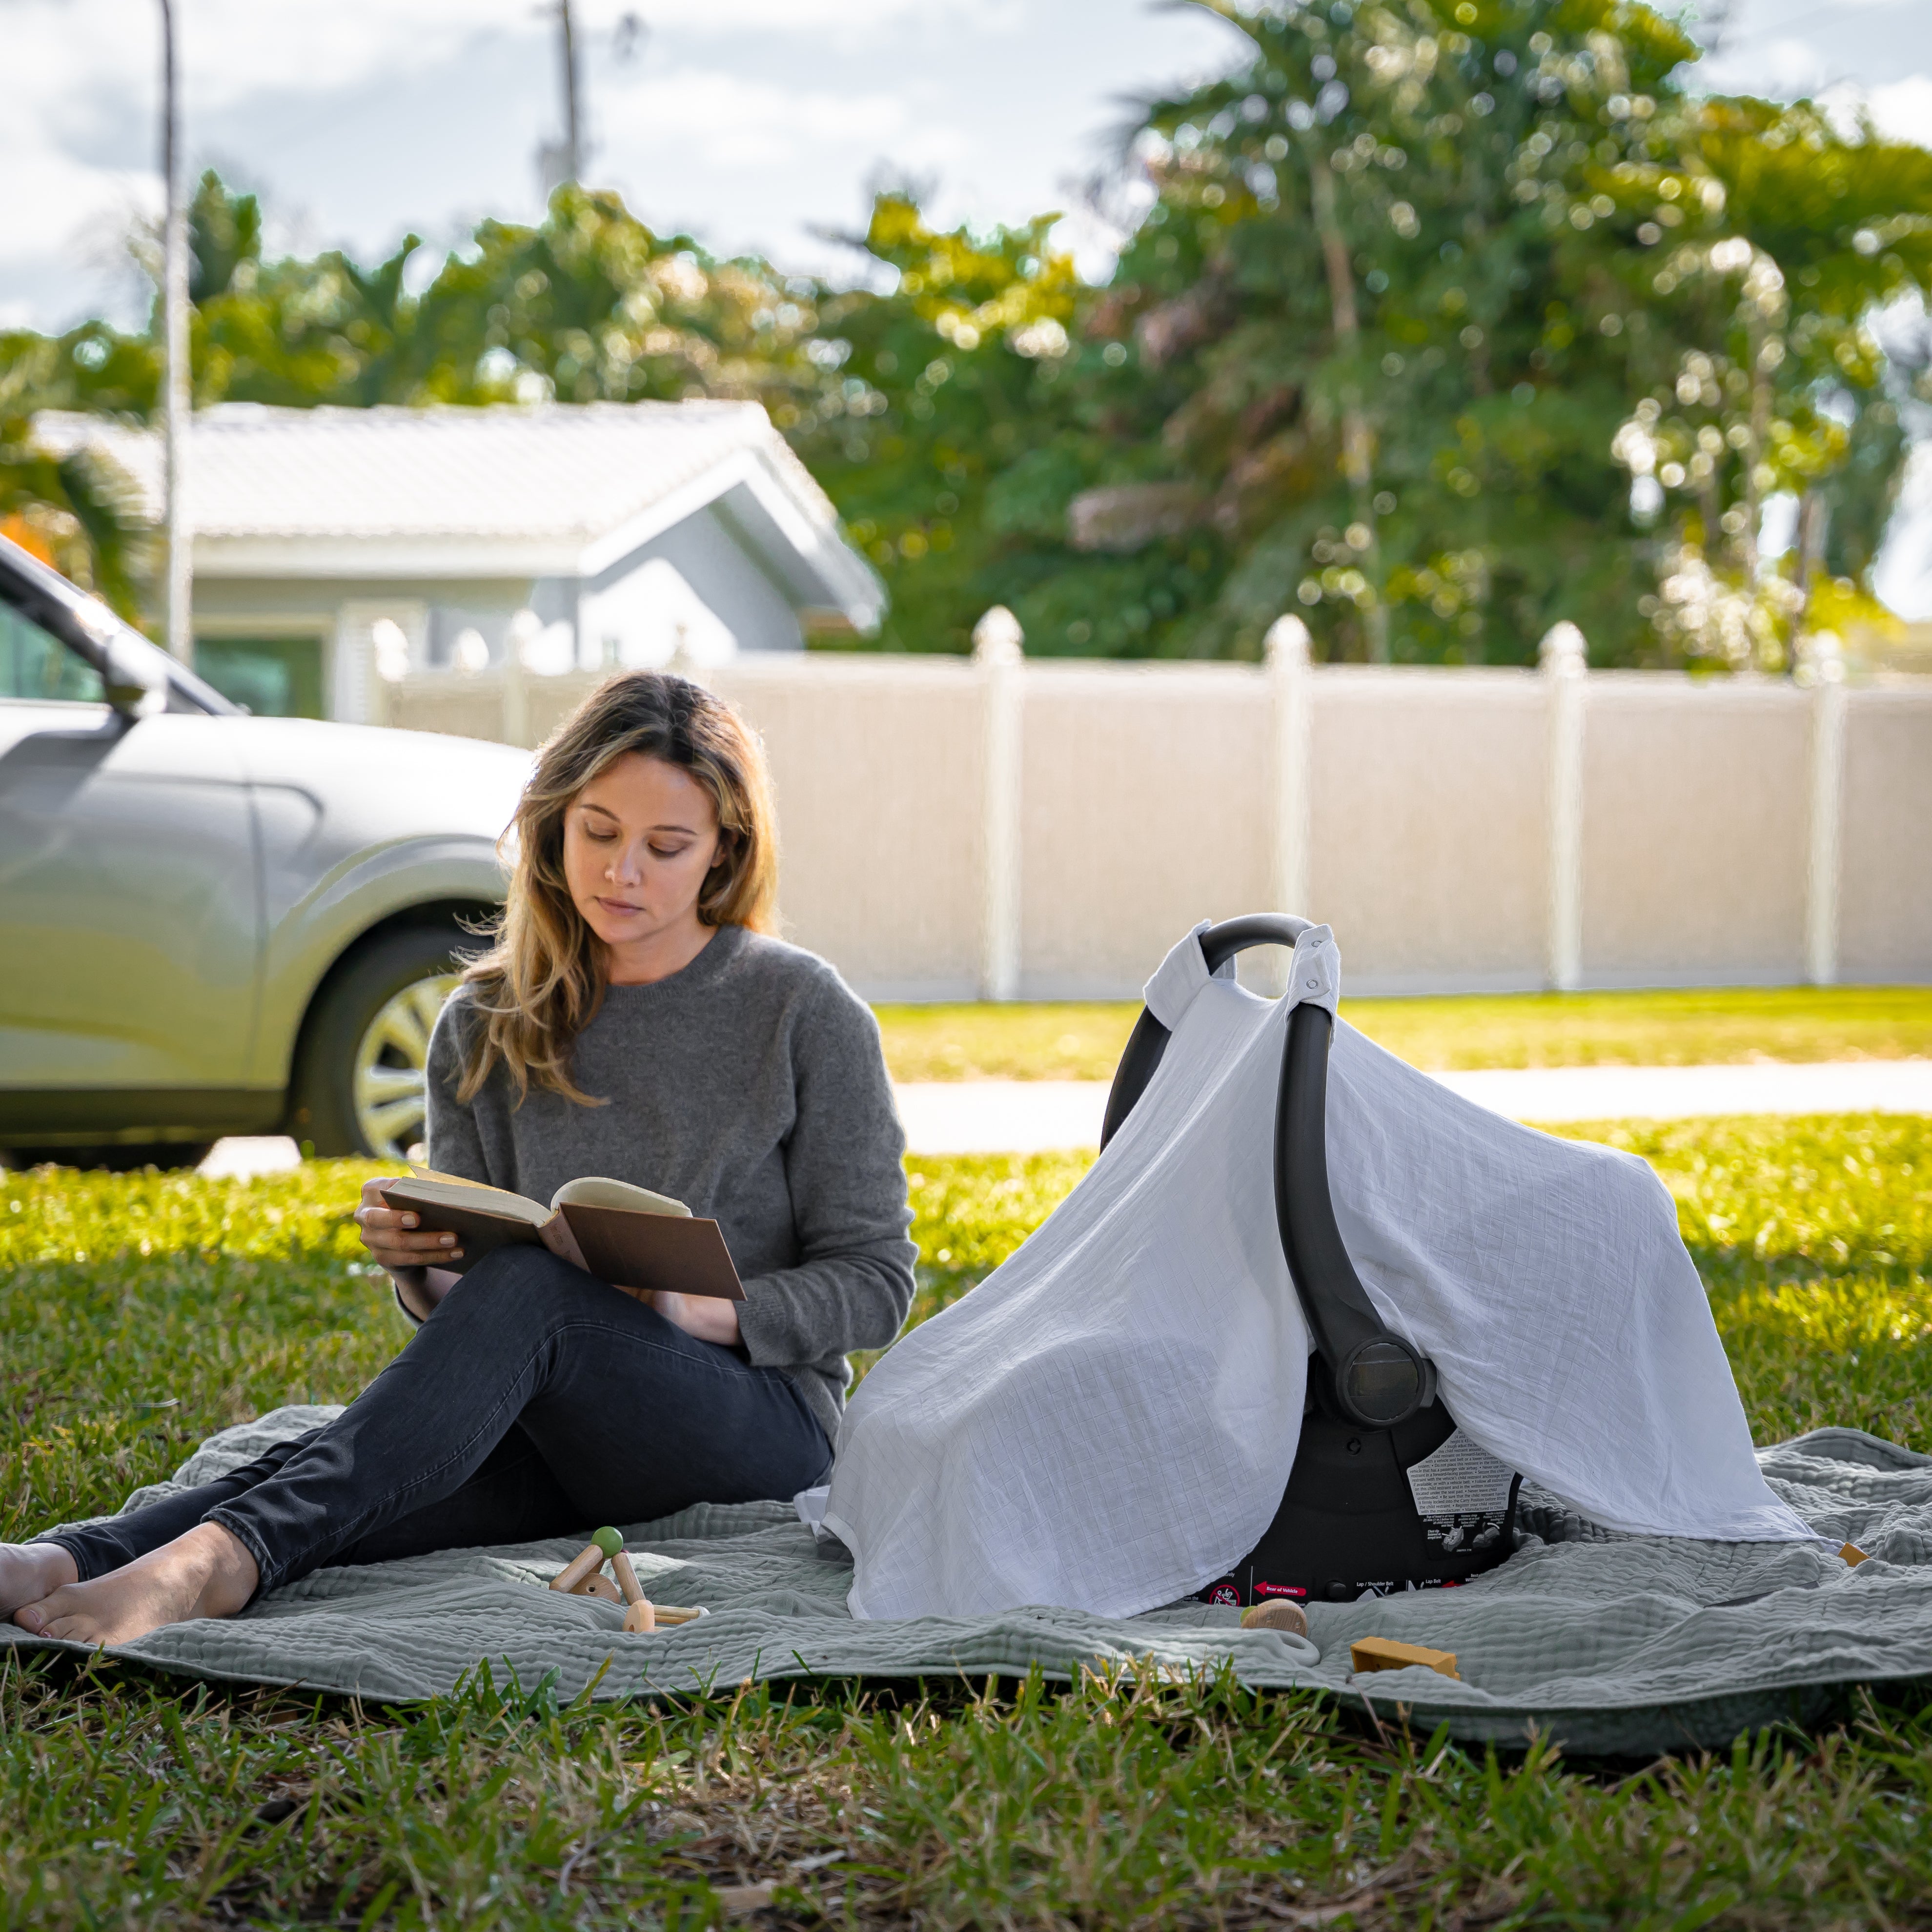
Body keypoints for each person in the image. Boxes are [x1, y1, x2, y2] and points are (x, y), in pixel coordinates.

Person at [3, 671, 916, 1646]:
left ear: (724, 855)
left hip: (755, 1426)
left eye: (667, 847)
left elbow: (877, 1281)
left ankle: (209, 1571)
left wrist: (705, 1309)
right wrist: (426, 1268)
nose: (624, 873)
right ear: (554, 824)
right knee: (356, 1463)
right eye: (599, 833)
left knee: (517, 1307)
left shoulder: (803, 1013)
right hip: (560, 1421)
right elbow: (475, 1310)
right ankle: (73, 1559)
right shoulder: (484, 1021)